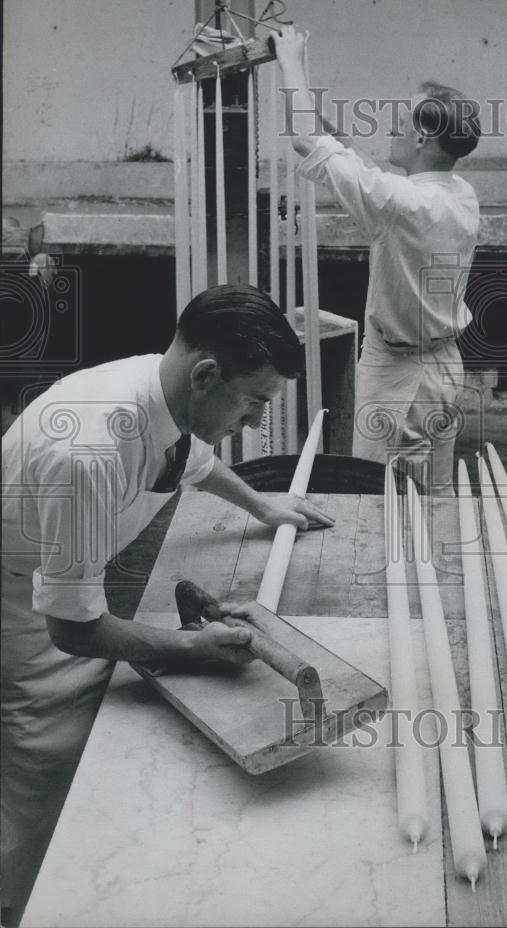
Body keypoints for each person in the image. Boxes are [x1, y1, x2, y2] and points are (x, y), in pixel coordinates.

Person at [0, 283, 334, 925]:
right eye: (255, 402)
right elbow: (71, 627)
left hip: (57, 582)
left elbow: (194, 463)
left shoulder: (164, 393)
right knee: (45, 772)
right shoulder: (91, 450)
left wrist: (263, 504)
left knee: (102, 757)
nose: (258, 423)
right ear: (206, 374)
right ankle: (23, 906)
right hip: (17, 598)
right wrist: (188, 649)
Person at [275, 25, 481, 492]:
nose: (391, 128)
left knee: (381, 503)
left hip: (400, 377)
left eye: (401, 122)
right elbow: (353, 163)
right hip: (443, 368)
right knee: (435, 497)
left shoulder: (401, 204)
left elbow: (306, 142)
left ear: (424, 137)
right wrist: (306, 81)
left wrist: (289, 60)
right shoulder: (459, 194)